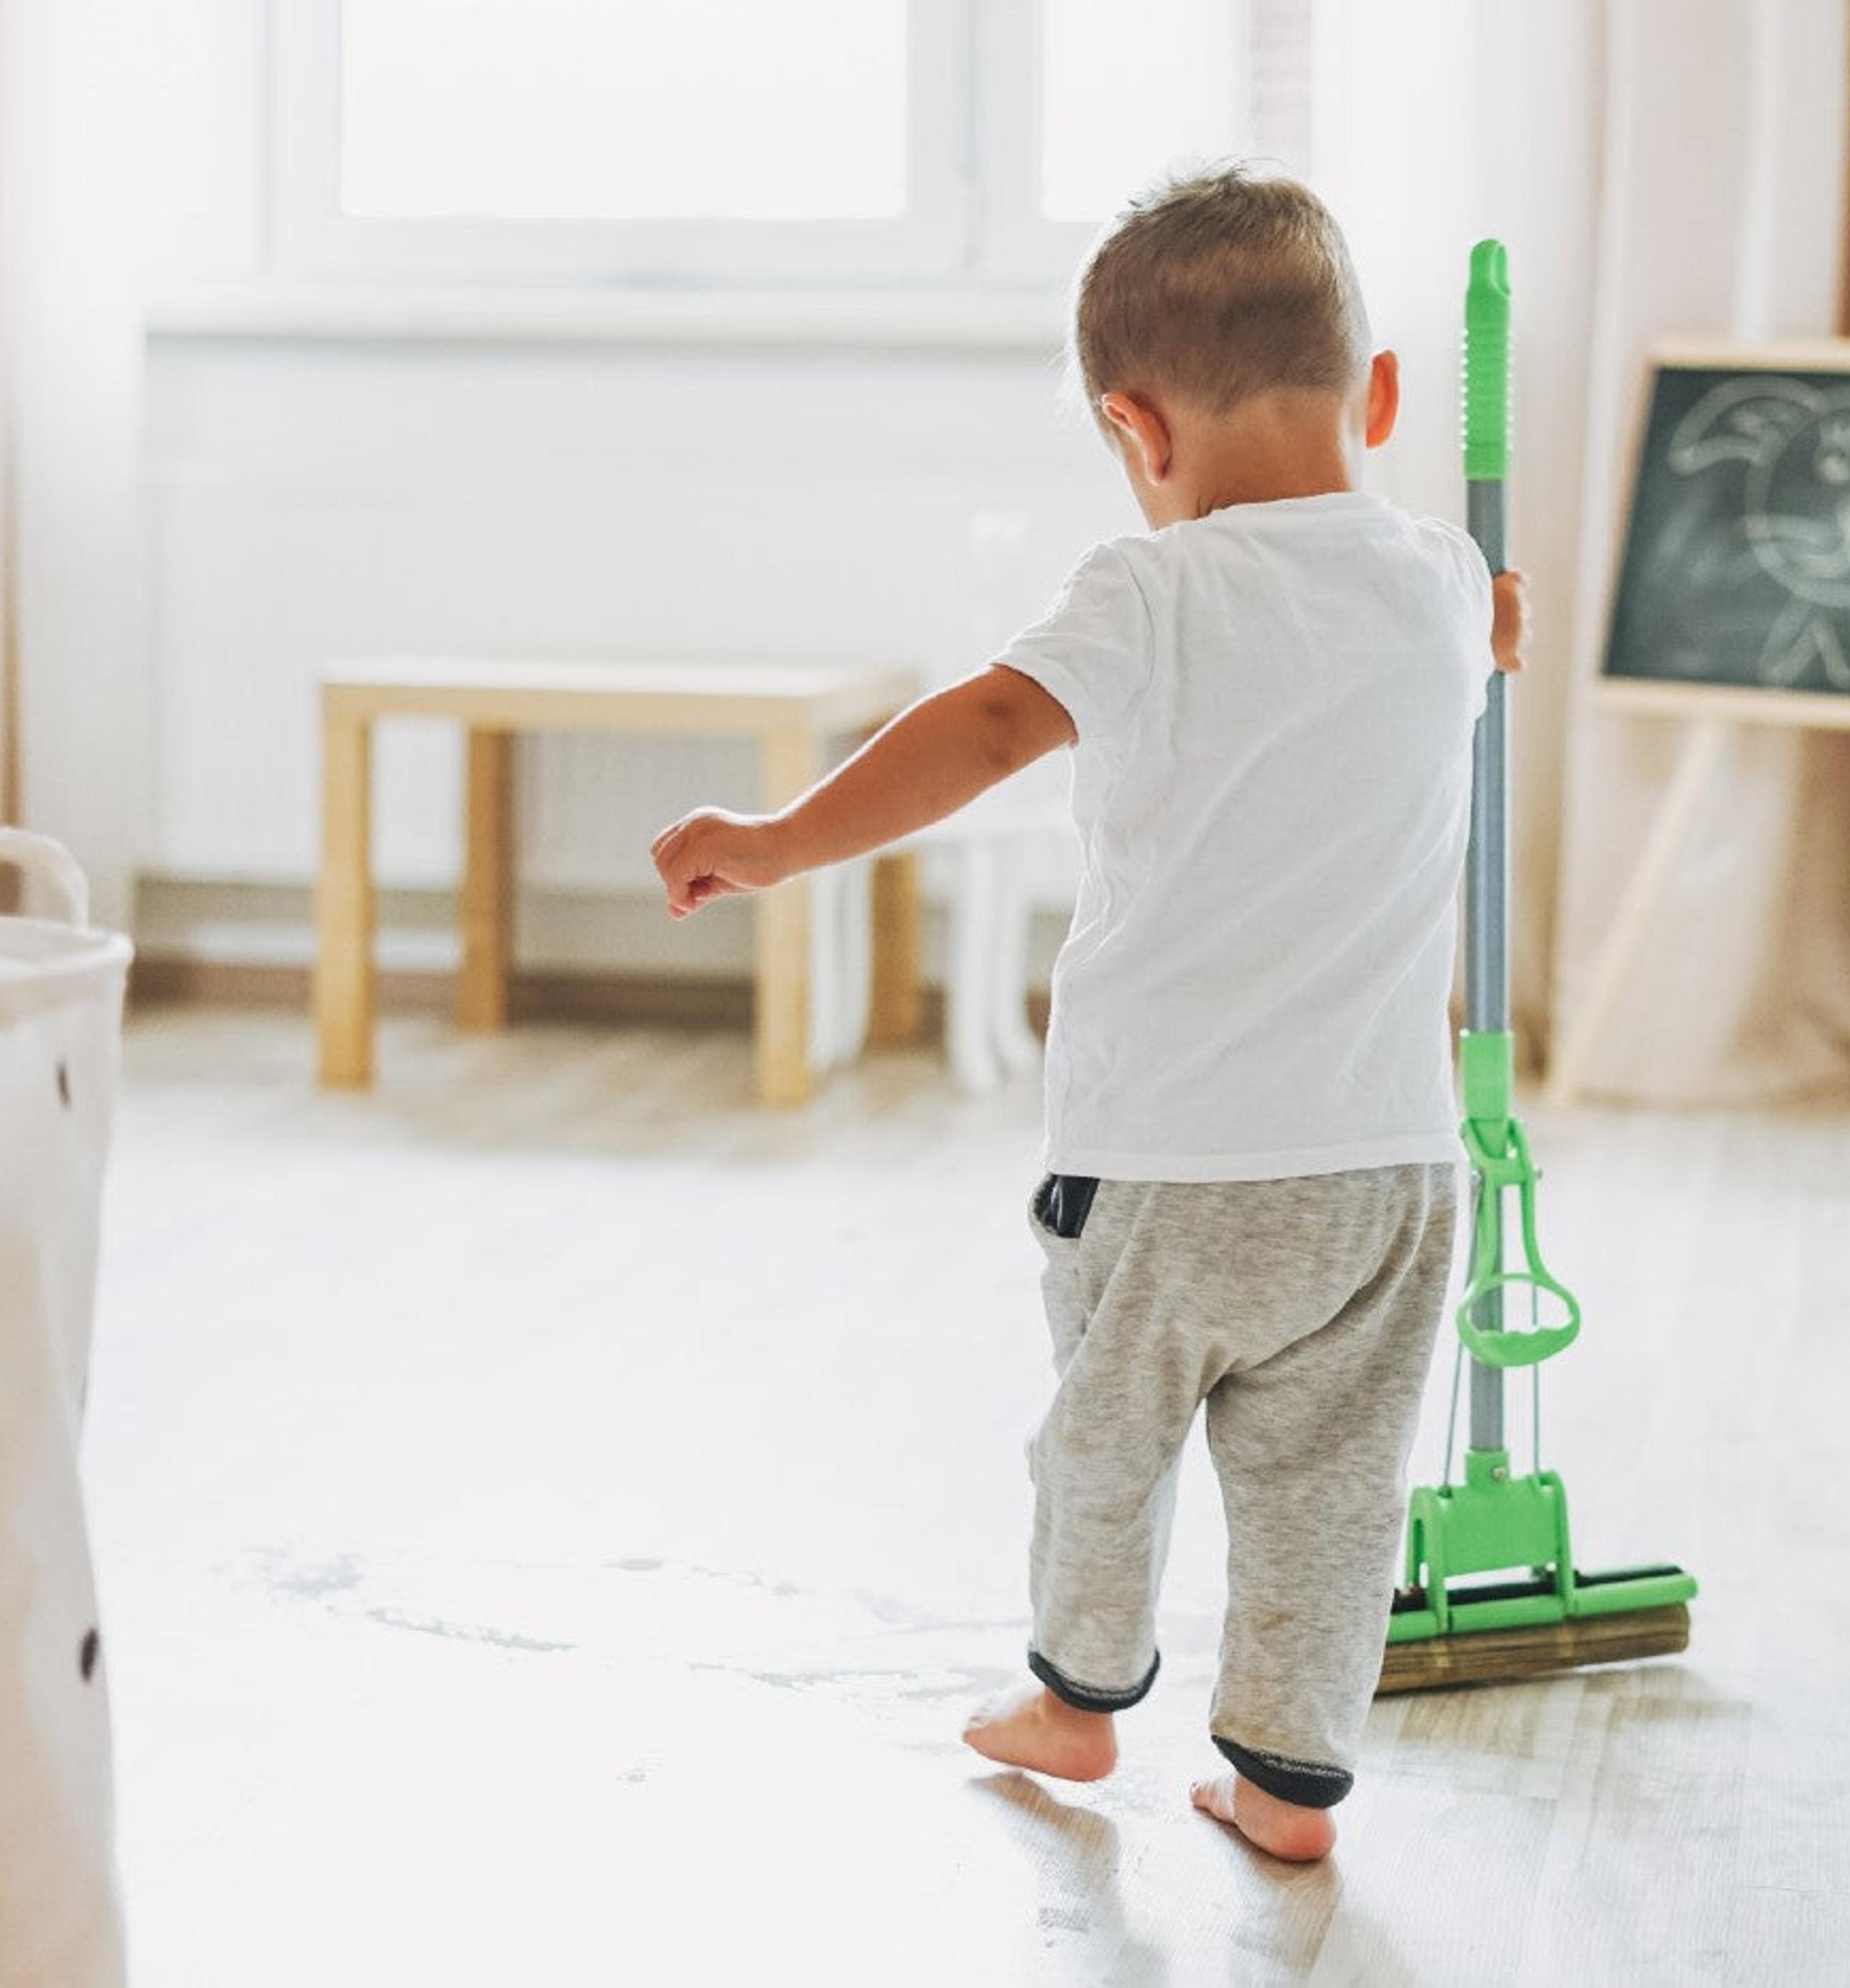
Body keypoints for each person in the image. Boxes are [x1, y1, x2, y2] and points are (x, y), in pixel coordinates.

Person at [650, 164, 1523, 1862]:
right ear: (1383, 395)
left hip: (1170, 1160)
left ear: (1137, 426)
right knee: (1333, 1494)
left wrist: (774, 842)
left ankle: (1076, 1696)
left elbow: (981, 727)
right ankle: (1285, 1781)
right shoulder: (1440, 582)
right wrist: (1493, 627)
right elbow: (1481, 634)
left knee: (1108, 1446)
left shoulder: (1150, 592)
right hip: (1388, 1175)